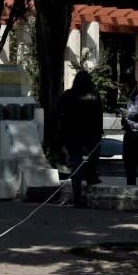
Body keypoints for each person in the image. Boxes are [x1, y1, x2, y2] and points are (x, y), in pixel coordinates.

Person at [58, 71, 103, 207]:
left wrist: (61, 134)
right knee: (92, 157)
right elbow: (98, 117)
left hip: (72, 135)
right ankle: (91, 176)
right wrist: (99, 133)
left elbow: (60, 114)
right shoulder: (94, 96)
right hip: (91, 135)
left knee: (76, 161)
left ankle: (77, 196)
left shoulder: (67, 95)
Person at [119, 76, 138, 185]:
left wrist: (133, 126)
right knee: (128, 165)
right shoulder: (129, 102)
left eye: (125, 89)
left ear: (133, 88)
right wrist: (124, 121)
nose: (124, 92)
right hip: (128, 136)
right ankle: (130, 187)